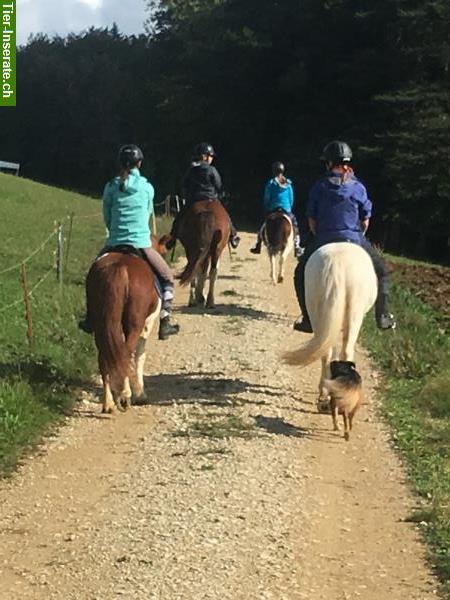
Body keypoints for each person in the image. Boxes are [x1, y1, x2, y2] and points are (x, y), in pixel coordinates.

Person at [79, 144, 180, 341]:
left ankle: (90, 318)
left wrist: (115, 232)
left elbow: (107, 217)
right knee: (167, 278)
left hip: (114, 242)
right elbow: (147, 212)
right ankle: (165, 322)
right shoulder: (147, 188)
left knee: (92, 275)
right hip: (141, 244)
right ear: (139, 163)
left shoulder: (110, 187)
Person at [293, 140, 396, 333]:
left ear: (329, 163)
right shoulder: (358, 187)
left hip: (323, 238)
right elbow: (366, 219)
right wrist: (357, 235)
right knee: (383, 272)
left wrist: (320, 236)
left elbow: (312, 220)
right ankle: (383, 316)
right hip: (354, 238)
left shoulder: (319, 186)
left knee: (300, 273)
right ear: (347, 162)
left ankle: (307, 319)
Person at [165, 142, 240, 249]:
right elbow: (218, 184)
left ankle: (172, 236)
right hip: (211, 198)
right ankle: (233, 235)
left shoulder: (191, 169)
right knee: (226, 215)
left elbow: (184, 184)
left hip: (194, 199)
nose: (212, 158)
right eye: (210, 156)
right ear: (204, 156)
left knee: (180, 215)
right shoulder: (212, 170)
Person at [250, 161, 302, 257]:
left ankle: (258, 244)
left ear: (273, 171)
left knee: (263, 224)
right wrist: (289, 207)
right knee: (295, 225)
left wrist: (267, 206)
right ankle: (297, 246)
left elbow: (267, 197)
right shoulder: (288, 184)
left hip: (273, 208)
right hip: (286, 209)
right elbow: (291, 198)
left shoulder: (271, 183)